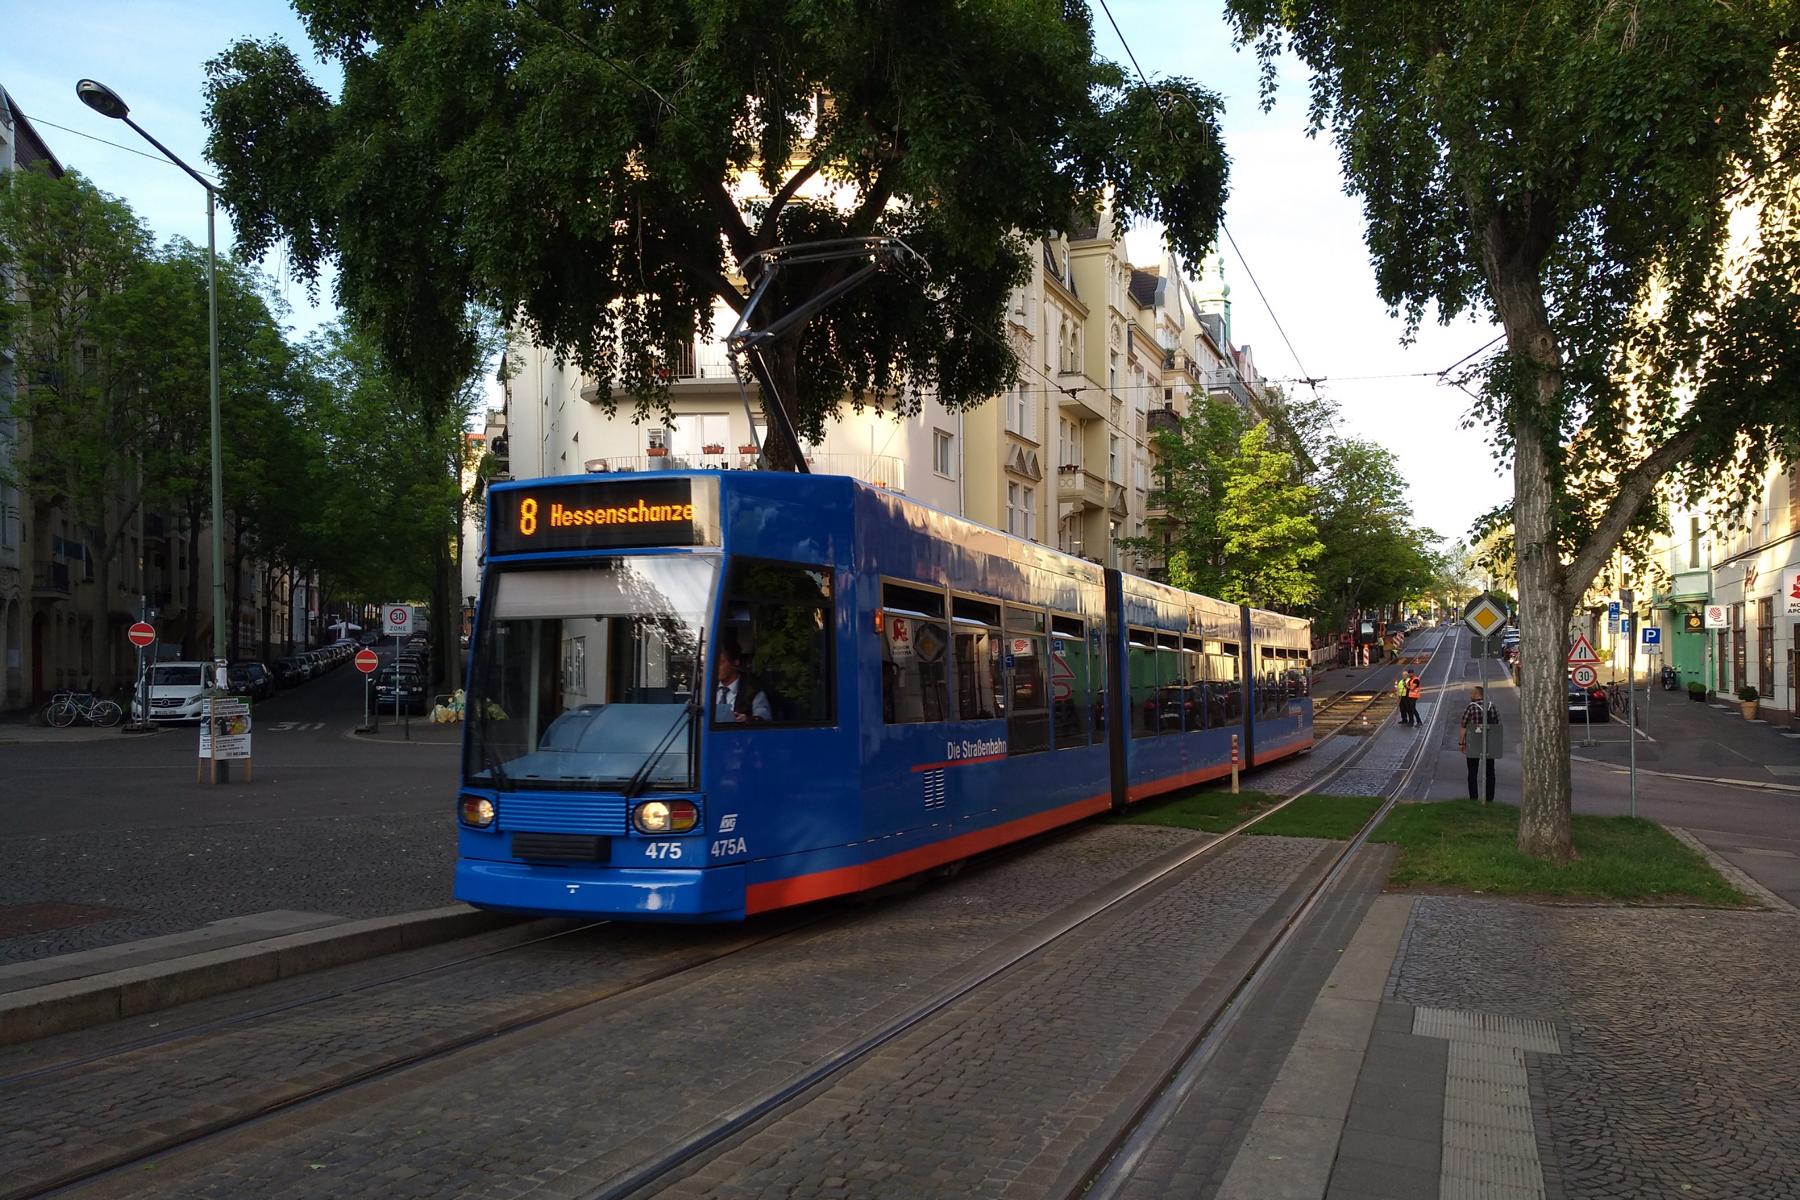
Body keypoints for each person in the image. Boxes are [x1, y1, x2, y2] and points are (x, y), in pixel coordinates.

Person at [1459, 685, 1501, 802]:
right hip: (1489, 741)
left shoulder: (1471, 707)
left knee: (1472, 771)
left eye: (1471, 693)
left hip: (1474, 742)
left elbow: (1463, 726)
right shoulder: (1492, 706)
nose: (1470, 695)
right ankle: (1489, 798)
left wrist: (1461, 743)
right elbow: (1498, 725)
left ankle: (1473, 798)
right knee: (1490, 771)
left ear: (1477, 694)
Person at [714, 645, 772, 723]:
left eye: (720, 663)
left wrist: (748, 720)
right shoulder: (706, 689)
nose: (715, 668)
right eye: (712, 664)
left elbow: (764, 718)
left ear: (735, 662)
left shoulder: (752, 690)